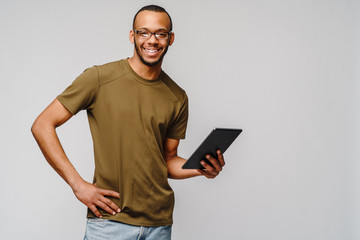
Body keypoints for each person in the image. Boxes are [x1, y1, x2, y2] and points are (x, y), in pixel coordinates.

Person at [31, 5, 225, 240]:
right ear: (132, 36)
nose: (152, 40)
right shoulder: (99, 78)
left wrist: (200, 169)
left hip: (159, 224)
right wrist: (78, 185)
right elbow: (42, 125)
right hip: (110, 223)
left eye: (160, 33)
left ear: (170, 39)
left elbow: (168, 160)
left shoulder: (177, 96)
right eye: (144, 32)